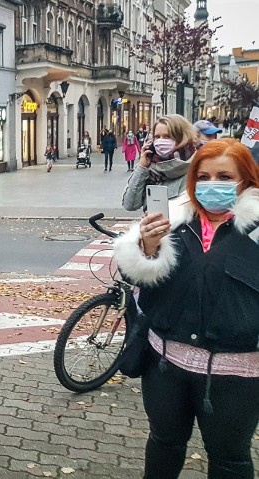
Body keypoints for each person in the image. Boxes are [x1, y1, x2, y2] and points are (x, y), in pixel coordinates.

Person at [112, 138, 259, 479]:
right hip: (165, 365)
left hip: (236, 375)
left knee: (229, 458)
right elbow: (140, 284)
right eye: (203, 177)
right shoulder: (174, 222)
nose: (212, 185)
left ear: (246, 180)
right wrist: (147, 249)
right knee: (164, 442)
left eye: (224, 177)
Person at [122, 114, 197, 211]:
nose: (161, 141)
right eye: (157, 137)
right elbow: (130, 205)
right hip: (152, 225)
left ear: (182, 137)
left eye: (167, 136)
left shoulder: (197, 167)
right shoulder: (151, 168)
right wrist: (141, 167)